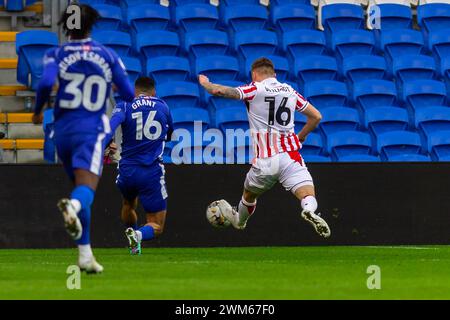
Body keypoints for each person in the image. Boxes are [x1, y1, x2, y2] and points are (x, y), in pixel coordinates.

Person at [32, 4, 135, 273]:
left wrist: (36, 112)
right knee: (85, 189)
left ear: (66, 25)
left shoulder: (56, 53)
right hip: (91, 129)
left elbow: (44, 84)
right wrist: (111, 83)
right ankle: (72, 206)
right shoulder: (107, 54)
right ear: (91, 25)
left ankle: (85, 256)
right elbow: (128, 93)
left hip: (62, 129)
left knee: (79, 184)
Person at [198, 57, 331, 238]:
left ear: (254, 74)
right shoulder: (289, 91)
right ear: (274, 74)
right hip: (290, 157)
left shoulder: (255, 88)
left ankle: (240, 222)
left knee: (249, 196)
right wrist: (301, 137)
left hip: (266, 160)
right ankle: (309, 211)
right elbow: (316, 116)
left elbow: (220, 91)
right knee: (307, 194)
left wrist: (206, 83)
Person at [107, 77, 173, 255]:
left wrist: (107, 144)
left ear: (135, 91)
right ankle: (137, 235)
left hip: (127, 170)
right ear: (154, 91)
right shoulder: (163, 106)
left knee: (128, 204)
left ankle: (133, 242)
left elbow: (110, 127)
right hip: (151, 171)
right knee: (157, 224)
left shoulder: (124, 104)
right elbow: (169, 134)